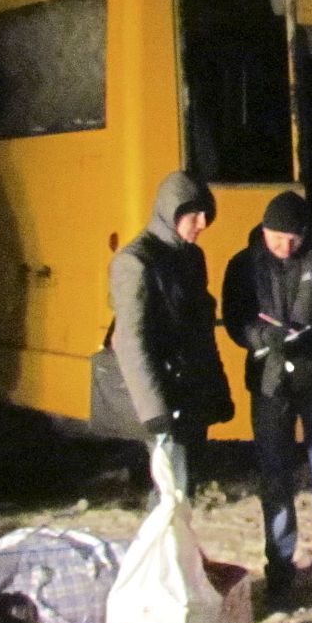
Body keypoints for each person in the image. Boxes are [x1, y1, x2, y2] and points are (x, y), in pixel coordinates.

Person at [222, 192, 312, 606]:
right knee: (275, 477)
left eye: (292, 239)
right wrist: (262, 337)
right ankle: (279, 566)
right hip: (269, 383)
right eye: (277, 238)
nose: (285, 247)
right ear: (263, 231)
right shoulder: (243, 265)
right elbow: (234, 318)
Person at [108, 171, 234, 495]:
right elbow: (130, 341)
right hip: (164, 399)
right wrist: (155, 414)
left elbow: (202, 333)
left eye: (207, 214)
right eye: (194, 214)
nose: (203, 223)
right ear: (171, 211)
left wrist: (217, 390)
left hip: (191, 395)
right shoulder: (135, 261)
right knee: (170, 493)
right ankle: (158, 548)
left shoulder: (192, 258)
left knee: (184, 491)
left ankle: (177, 548)